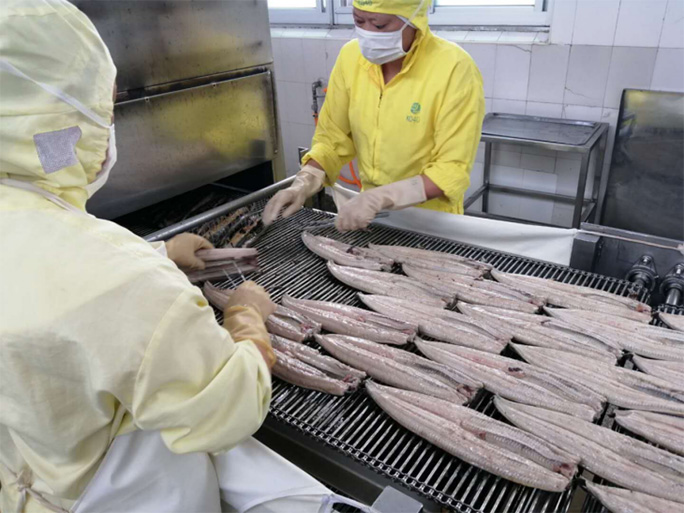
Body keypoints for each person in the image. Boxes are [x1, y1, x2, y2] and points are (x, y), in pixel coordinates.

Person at [0, 1, 310, 511]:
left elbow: (44, 278)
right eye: (105, 109)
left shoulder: (92, 262)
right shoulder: (120, 280)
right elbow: (228, 409)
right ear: (66, 126)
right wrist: (247, 317)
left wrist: (160, 252)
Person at [263, 0, 485, 232]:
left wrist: (381, 197)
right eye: (359, 21)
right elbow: (332, 137)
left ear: (414, 19)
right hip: (371, 219)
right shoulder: (351, 58)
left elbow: (451, 169)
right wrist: (305, 181)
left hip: (432, 223)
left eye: (379, 25)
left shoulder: (454, 68)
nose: (368, 33)